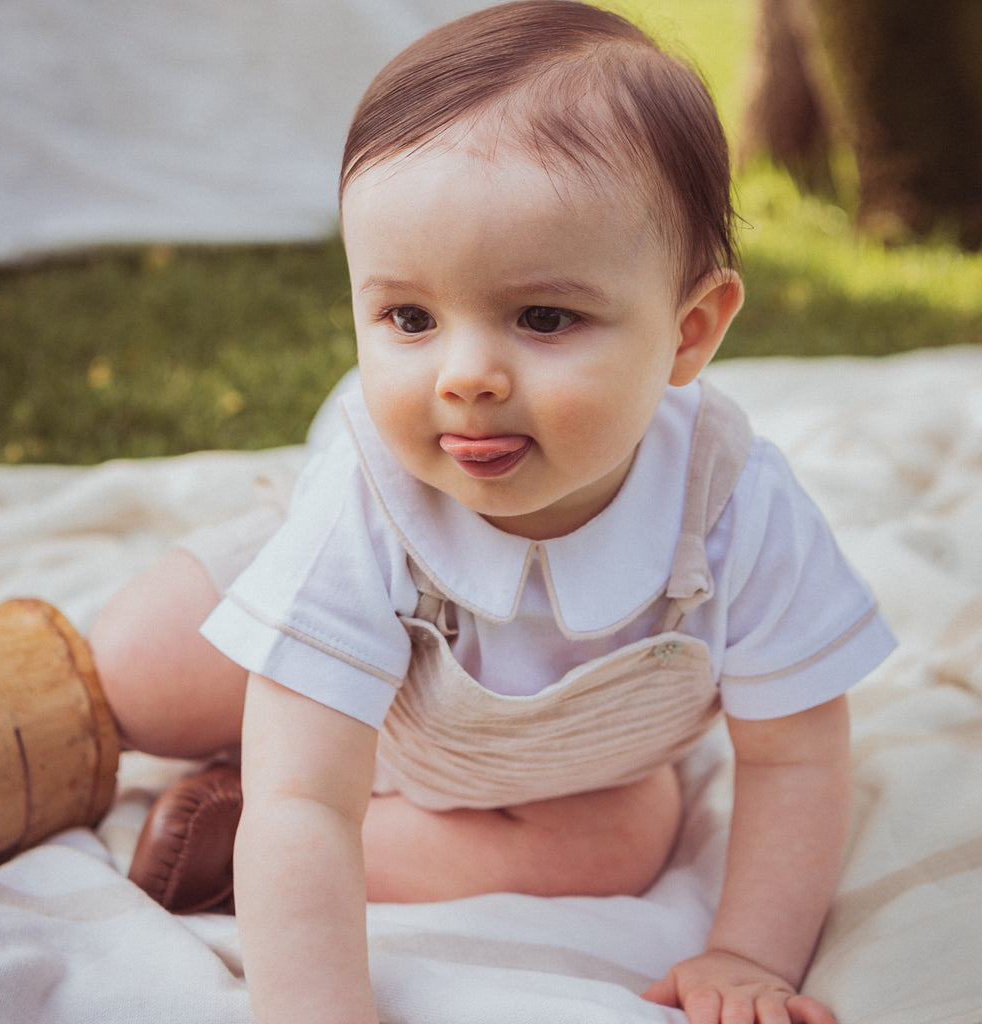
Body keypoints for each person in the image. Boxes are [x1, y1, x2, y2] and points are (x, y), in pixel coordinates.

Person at [85, 3, 896, 1022]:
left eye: (542, 317)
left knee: (621, 844)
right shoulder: (368, 498)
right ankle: (145, 743)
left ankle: (224, 834)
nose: (465, 376)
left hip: (565, 767)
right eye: (408, 318)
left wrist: (745, 952)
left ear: (688, 332)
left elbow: (795, 755)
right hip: (364, 650)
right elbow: (310, 796)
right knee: (139, 662)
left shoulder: (736, 506)